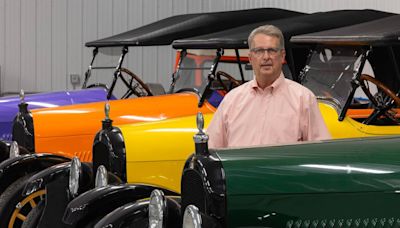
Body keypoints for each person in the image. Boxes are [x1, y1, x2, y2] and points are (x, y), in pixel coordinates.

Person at [207, 25, 331, 149]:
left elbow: (321, 152)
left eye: (272, 50)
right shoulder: (232, 100)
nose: (266, 57)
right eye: (259, 51)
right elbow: (211, 149)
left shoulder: (303, 99)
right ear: (250, 58)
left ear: (282, 56)